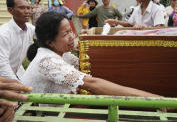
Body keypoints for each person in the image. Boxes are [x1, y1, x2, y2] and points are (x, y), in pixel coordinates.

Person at [21, 12, 161, 107]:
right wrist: (153, 99)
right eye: (66, 34)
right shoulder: (47, 61)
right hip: (32, 116)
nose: (72, 36)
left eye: (71, 31)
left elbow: (96, 61)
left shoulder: (62, 53)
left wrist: (135, 31)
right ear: (50, 41)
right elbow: (92, 83)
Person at [0, 0, 35, 80]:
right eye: (22, 8)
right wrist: (18, 85)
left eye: (28, 8)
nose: (27, 11)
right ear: (10, 10)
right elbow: (2, 64)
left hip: (17, 72)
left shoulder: (30, 29)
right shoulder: (3, 33)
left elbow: (46, 35)